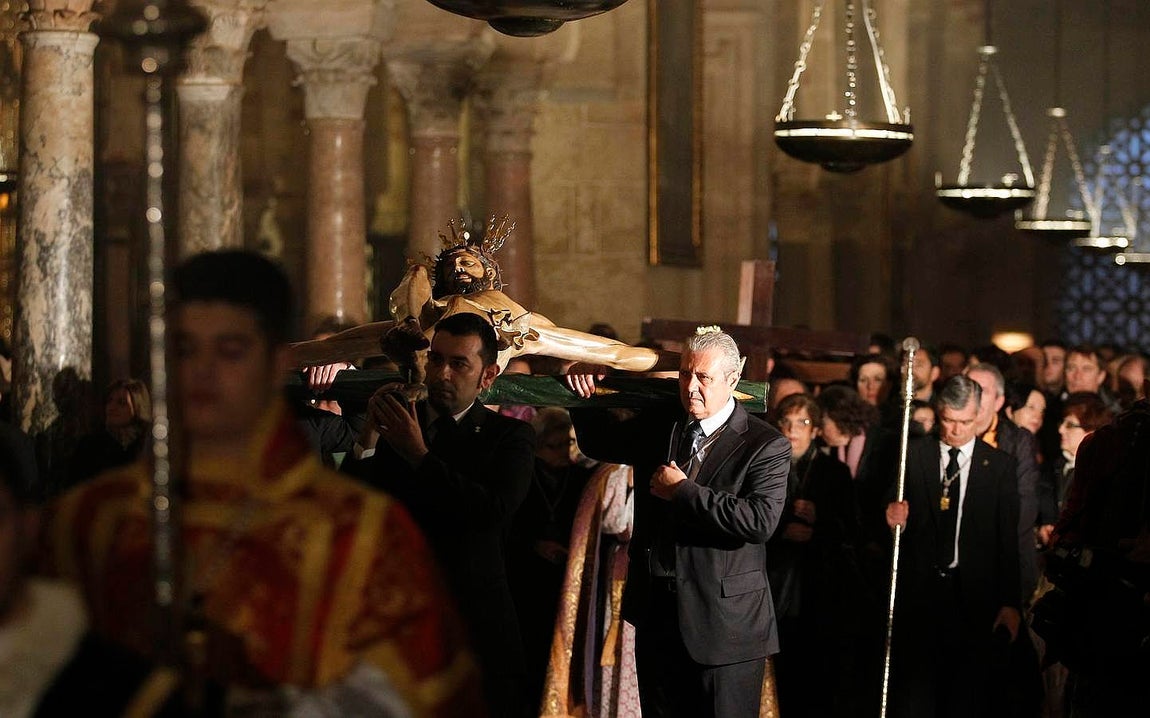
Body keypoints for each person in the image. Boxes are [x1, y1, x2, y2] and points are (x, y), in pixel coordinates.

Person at [44, 250, 482, 716]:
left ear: (275, 364)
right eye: (184, 349)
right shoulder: (94, 517)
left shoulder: (361, 533)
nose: (203, 373)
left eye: (230, 350)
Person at [567, 326, 790, 718]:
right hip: (658, 616)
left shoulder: (765, 444)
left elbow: (759, 521)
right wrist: (582, 391)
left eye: (703, 377)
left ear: (733, 379)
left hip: (725, 629)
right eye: (685, 374)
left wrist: (684, 492)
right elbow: (600, 443)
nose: (691, 387)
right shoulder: (664, 425)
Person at [343, 311, 536, 718]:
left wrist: (420, 456)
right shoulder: (400, 425)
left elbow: (491, 513)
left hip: (475, 626)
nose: (441, 373)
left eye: (458, 364)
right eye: (436, 359)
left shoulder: (509, 437)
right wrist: (368, 438)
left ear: (487, 376)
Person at [292, 217, 677, 380]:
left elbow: (611, 352)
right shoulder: (427, 312)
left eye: (470, 263)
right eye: (453, 265)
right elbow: (329, 347)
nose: (460, 266)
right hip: (421, 339)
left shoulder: (518, 323)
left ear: (489, 273)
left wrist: (683, 362)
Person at [884, 375, 1022, 718]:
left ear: (980, 416)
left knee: (967, 695)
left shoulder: (999, 466)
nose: (957, 430)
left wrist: (1010, 601)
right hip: (921, 591)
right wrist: (890, 518)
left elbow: (1007, 538)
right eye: (949, 420)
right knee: (916, 694)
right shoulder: (912, 455)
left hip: (974, 595)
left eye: (966, 422)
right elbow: (884, 510)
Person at [767, 394, 861, 718]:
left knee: (815, 675)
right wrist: (782, 530)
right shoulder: (766, 463)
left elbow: (851, 531)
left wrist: (818, 525)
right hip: (775, 582)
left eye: (802, 423)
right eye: (787, 423)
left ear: (816, 430)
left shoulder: (833, 472)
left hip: (818, 588)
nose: (794, 431)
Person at [508, 407, 593, 709]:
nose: (564, 452)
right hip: (528, 577)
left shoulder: (582, 477)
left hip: (568, 574)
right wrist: (534, 545)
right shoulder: (523, 475)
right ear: (537, 446)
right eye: (553, 446)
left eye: (568, 444)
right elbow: (508, 524)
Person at [62, 378, 151, 494]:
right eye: (109, 400)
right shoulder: (89, 446)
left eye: (121, 403)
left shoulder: (147, 444)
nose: (112, 407)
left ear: (137, 407)